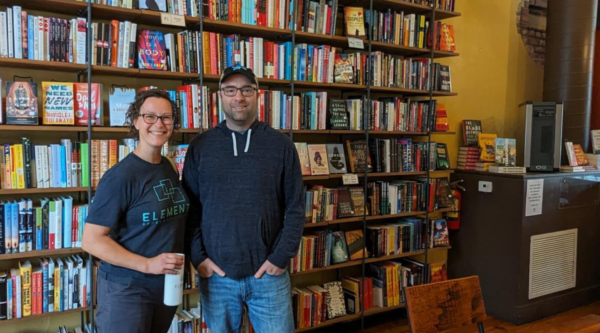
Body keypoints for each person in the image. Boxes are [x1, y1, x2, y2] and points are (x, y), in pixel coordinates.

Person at [182, 65, 304, 333]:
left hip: (269, 276)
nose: (239, 97)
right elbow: (189, 209)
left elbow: (296, 207)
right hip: (217, 277)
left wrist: (281, 257)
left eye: (247, 89)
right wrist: (198, 258)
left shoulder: (281, 146)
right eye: (231, 90)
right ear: (220, 96)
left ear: (257, 95)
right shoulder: (200, 147)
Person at [82, 89, 189, 333]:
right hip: (127, 288)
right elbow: (91, 240)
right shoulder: (121, 176)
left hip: (164, 284)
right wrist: (147, 265)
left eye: (166, 117)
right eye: (150, 116)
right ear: (136, 121)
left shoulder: (168, 166)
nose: (158, 124)